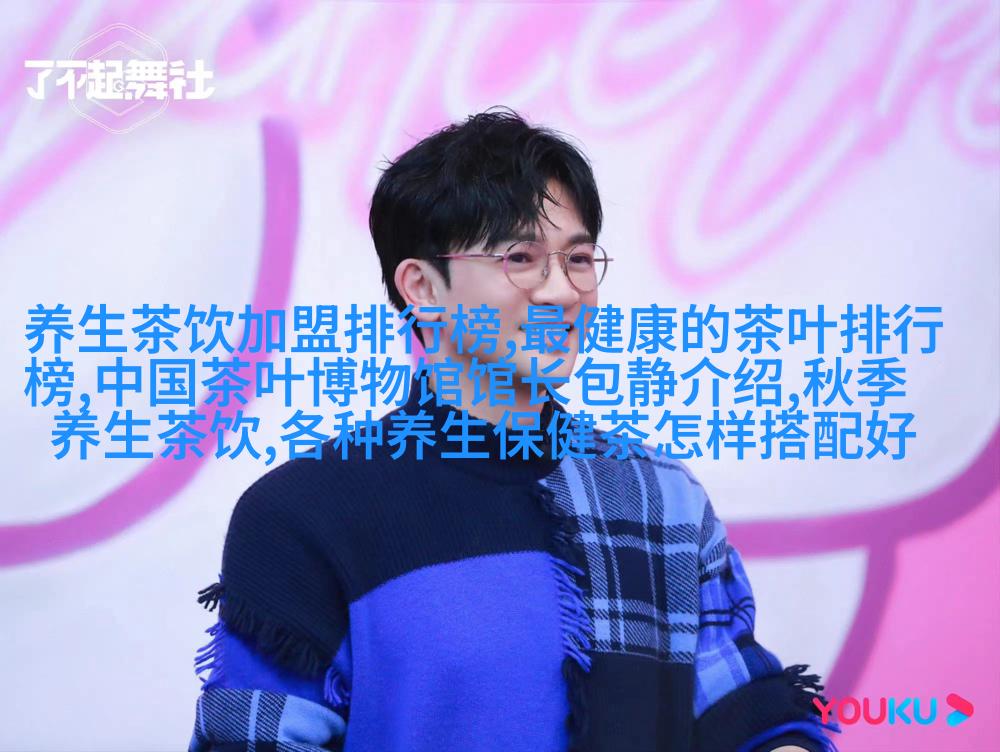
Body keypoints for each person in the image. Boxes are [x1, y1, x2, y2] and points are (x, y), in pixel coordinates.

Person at [188, 107, 840, 752]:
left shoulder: (657, 495)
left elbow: (735, 704)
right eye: (521, 258)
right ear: (422, 286)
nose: (561, 291)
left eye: (578, 259)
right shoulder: (307, 512)